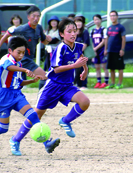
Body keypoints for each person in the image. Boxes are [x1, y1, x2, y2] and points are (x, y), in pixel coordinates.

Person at [12, 18, 90, 156]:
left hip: (67, 86)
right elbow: (57, 69)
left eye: (75, 31)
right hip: (52, 86)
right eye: (69, 31)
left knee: (84, 102)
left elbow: (81, 58)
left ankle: (65, 121)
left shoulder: (78, 46)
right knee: (36, 116)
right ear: (61, 34)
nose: (73, 34)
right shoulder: (60, 47)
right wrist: (74, 66)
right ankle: (15, 140)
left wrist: (85, 69)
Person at [0, 36, 43, 153]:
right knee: (3, 128)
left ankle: (47, 143)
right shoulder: (6, 60)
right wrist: (26, 70)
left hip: (16, 95)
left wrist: (32, 81)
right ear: (10, 51)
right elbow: (8, 67)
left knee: (33, 116)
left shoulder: (18, 64)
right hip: (3, 96)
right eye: (18, 52)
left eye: (23, 52)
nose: (21, 55)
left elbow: (18, 82)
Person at [0, 5, 52, 110]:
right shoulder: (23, 28)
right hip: (23, 59)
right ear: (28, 17)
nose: (36, 18)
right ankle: (41, 104)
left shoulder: (38, 28)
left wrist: (48, 39)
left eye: (38, 16)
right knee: (44, 76)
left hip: (27, 59)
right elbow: (8, 33)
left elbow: (44, 41)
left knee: (11, 83)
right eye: (34, 16)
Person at [104, 10, 126, 89]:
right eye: (111, 16)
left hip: (118, 50)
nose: (112, 17)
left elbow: (123, 39)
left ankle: (120, 83)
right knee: (111, 67)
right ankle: (112, 83)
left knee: (120, 67)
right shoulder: (109, 28)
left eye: (114, 15)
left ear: (117, 17)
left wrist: (122, 49)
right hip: (110, 50)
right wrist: (105, 49)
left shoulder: (121, 27)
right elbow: (106, 39)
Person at [90, 14, 109, 88]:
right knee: (97, 67)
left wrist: (104, 49)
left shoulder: (103, 29)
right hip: (95, 51)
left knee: (104, 66)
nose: (96, 21)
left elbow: (104, 41)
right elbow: (91, 42)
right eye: (95, 20)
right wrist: (93, 50)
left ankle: (106, 82)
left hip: (101, 50)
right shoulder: (92, 30)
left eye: (98, 19)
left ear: (101, 20)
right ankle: (98, 82)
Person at [74, 15, 90, 90]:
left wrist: (79, 52)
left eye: (80, 22)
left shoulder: (85, 31)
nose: (78, 23)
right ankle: (77, 84)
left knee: (84, 68)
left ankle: (84, 84)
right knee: (76, 69)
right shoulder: (73, 32)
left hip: (83, 53)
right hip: (74, 54)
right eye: (76, 22)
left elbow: (86, 43)